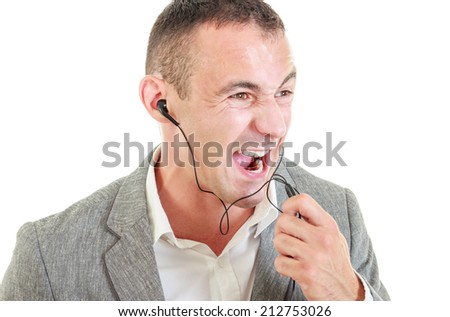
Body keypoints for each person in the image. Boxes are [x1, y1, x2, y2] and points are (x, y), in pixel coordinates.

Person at [0, 0, 389, 301]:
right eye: (241, 94)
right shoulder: (49, 257)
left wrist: (350, 298)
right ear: (160, 102)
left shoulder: (340, 219)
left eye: (283, 93)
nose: (276, 126)